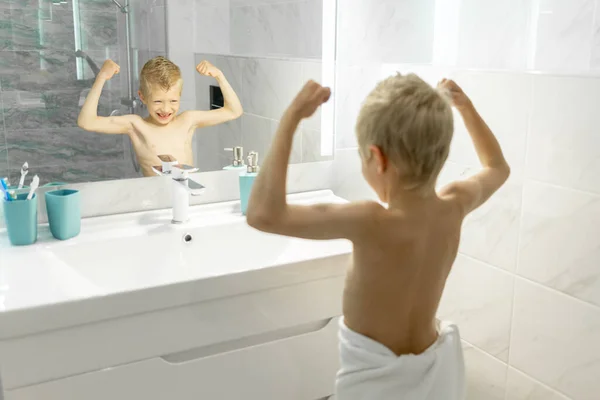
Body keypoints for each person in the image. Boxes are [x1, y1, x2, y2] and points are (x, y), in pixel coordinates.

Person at [246, 75, 510, 399]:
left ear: (378, 158)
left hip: (377, 388)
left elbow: (263, 214)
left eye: (362, 157)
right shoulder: (454, 205)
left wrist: (290, 118)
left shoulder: (370, 221)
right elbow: (497, 167)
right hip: (432, 378)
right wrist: (465, 108)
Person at [77, 56, 243, 177]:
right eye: (157, 101)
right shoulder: (136, 125)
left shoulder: (187, 121)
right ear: (142, 97)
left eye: (173, 100)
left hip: (186, 196)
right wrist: (102, 77)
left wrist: (219, 76)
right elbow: (87, 122)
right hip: (155, 200)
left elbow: (234, 111)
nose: (166, 109)